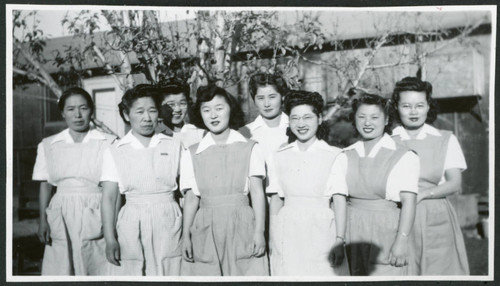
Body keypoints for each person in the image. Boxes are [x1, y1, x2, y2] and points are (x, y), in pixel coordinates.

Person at [180, 84, 269, 276]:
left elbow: (257, 192)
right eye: (206, 110)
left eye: (219, 108)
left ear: (230, 109)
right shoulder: (192, 153)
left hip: (242, 225)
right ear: (200, 115)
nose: (213, 115)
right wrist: (186, 234)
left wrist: (259, 232)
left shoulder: (250, 148)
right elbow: (191, 198)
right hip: (205, 227)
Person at [330, 90, 420, 276]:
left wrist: (401, 242)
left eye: (374, 117)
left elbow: (409, 202)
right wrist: (339, 239)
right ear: (354, 119)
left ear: (386, 120)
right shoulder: (345, 155)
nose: (367, 122)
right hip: (351, 230)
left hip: (386, 231)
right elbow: (338, 200)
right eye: (361, 117)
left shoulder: (403, 155)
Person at [100, 84, 182, 276]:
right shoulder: (115, 150)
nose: (147, 118)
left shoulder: (174, 145)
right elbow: (109, 198)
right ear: (127, 115)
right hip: (131, 223)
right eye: (139, 111)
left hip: (169, 221)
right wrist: (110, 238)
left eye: (152, 111)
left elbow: (187, 191)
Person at [32, 87, 116, 275]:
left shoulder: (108, 142)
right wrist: (43, 220)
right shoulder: (49, 145)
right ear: (62, 113)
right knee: (62, 267)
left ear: (91, 110)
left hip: (96, 209)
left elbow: (114, 190)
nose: (77, 115)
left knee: (96, 264)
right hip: (60, 212)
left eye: (83, 108)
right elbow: (45, 185)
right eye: (70, 109)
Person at [391, 77, 469, 275]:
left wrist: (423, 194)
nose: (414, 111)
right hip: (396, 216)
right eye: (406, 106)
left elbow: (454, 183)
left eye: (419, 105)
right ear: (397, 107)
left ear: (428, 107)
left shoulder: (445, 139)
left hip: (435, 218)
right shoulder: (388, 140)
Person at [267, 90, 350, 276]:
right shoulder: (279, 156)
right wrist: (273, 238)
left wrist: (339, 239)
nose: (301, 124)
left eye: (307, 117)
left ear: (319, 119)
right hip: (287, 231)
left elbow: (339, 200)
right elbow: (276, 200)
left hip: (321, 230)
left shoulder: (334, 155)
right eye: (295, 118)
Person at [156, 79, 205, 149]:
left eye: (182, 103)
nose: (177, 109)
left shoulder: (198, 134)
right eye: (171, 105)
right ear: (159, 106)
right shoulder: (154, 136)